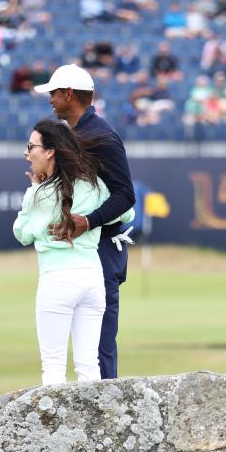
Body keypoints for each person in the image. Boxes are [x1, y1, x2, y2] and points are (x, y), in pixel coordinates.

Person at [13, 119, 134, 385]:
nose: (26, 152)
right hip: (92, 280)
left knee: (54, 367)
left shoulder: (39, 194)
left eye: (31, 146)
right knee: (89, 366)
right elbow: (127, 211)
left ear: (50, 151)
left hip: (57, 281)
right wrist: (92, 219)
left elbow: (22, 233)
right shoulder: (95, 186)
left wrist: (35, 188)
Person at [35, 64, 136, 379]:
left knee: (97, 350)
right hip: (81, 253)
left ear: (68, 94)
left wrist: (88, 221)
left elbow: (125, 195)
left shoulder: (102, 136)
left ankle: (107, 421)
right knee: (85, 351)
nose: (50, 99)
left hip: (102, 249)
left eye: (53, 93)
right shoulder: (70, 135)